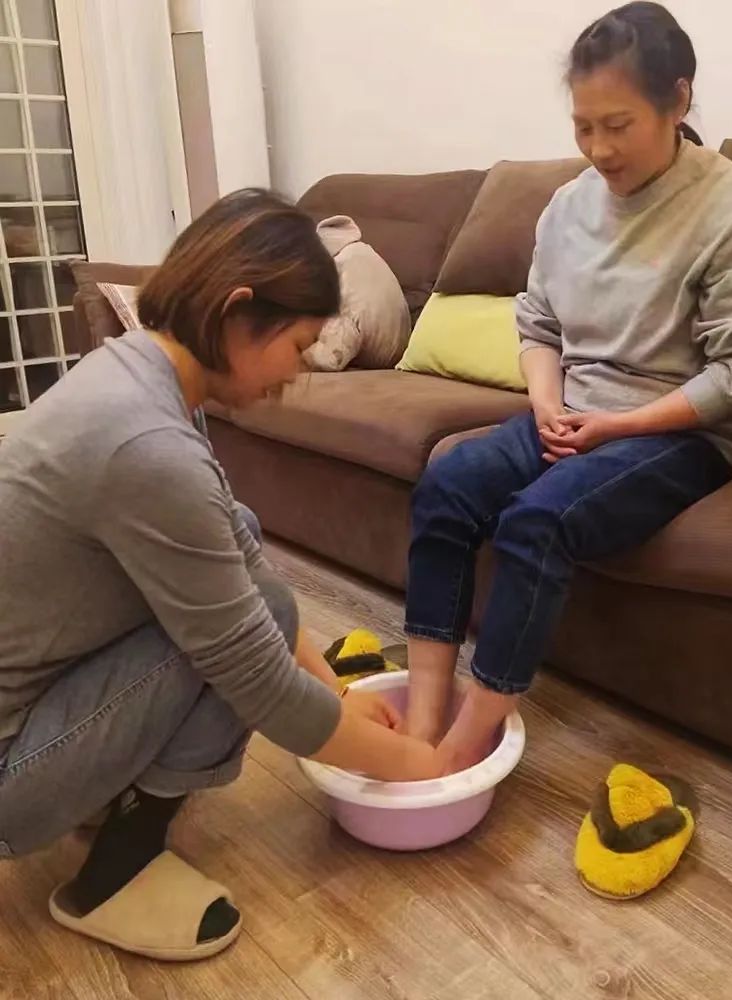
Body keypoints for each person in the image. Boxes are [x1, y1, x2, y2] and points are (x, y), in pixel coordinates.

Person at [0, 189, 443, 961]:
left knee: (245, 570)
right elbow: (260, 683)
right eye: (298, 346)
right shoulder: (144, 445)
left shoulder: (140, 373)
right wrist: (424, 769)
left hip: (35, 701)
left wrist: (340, 696)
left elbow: (237, 551)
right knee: (229, 641)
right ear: (238, 313)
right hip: (13, 771)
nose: (297, 372)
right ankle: (113, 872)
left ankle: (103, 793)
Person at [404, 1, 732, 773]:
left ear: (677, 100)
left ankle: (463, 746)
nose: (596, 149)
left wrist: (617, 427)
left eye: (617, 125)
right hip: (572, 412)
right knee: (447, 484)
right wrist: (546, 402)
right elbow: (538, 325)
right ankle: (419, 718)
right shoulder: (568, 205)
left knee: (536, 520)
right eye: (582, 126)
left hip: (678, 434)